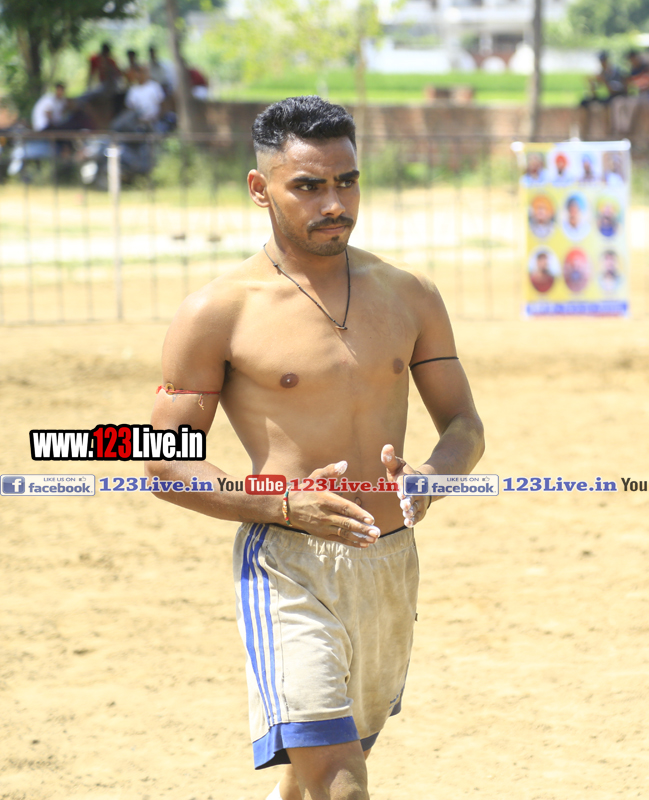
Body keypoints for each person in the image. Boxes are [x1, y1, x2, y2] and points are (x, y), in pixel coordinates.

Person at [145, 95, 485, 800]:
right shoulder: (219, 311)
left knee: (319, 771)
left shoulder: (410, 294)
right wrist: (282, 505)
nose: (335, 203)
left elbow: (465, 427)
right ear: (259, 187)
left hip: (389, 563)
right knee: (339, 780)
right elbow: (162, 460)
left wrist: (431, 476)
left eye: (347, 181)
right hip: (288, 566)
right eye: (308, 185)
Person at [610, 50, 649, 137]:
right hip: (632, 96)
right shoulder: (631, 70)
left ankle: (628, 130)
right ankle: (619, 129)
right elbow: (628, 87)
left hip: (646, 95)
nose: (632, 62)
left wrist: (635, 84)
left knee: (632, 104)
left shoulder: (646, 68)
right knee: (618, 102)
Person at [112, 67, 164, 132]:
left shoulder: (154, 86)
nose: (140, 75)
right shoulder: (133, 90)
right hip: (138, 123)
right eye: (138, 73)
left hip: (154, 121)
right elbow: (130, 109)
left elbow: (162, 104)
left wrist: (158, 118)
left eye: (143, 72)